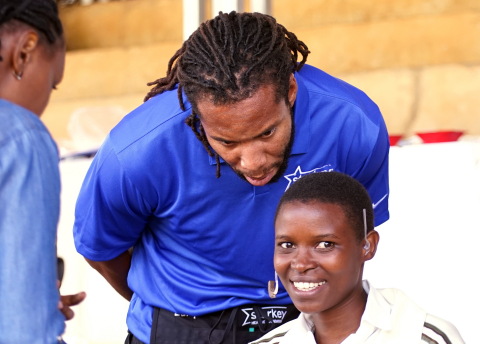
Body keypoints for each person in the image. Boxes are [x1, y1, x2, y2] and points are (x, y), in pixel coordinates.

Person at [73, 11, 390, 344]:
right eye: (227, 141)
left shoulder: (354, 124)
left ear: (291, 91)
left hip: (303, 323)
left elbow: (354, 242)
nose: (253, 163)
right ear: (197, 115)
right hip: (179, 328)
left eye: (267, 132)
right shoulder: (135, 151)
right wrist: (168, 304)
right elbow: (101, 248)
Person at [249, 171, 464, 344]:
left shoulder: (422, 337)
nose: (301, 263)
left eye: (325, 245)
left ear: (367, 246)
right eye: (287, 245)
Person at [0, 1, 86, 342]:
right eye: (53, 83)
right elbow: (27, 331)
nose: (46, 100)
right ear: (25, 51)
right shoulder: (22, 139)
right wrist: (32, 306)